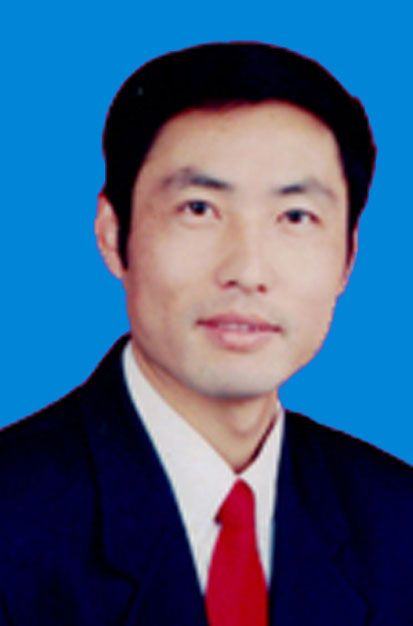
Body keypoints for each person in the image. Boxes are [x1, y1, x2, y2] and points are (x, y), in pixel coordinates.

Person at [0, 42, 412, 626]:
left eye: (295, 217)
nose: (247, 270)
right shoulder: (12, 517)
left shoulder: (397, 522)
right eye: (199, 209)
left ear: (348, 257)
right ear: (113, 234)